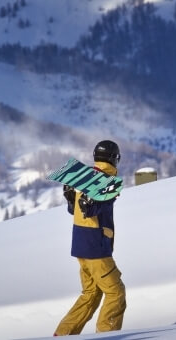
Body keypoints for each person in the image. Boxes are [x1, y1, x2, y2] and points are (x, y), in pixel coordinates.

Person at [54, 140, 126, 336]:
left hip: (80, 246)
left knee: (91, 293)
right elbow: (91, 209)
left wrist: (74, 200)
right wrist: (92, 202)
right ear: (114, 159)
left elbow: (76, 211)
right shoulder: (106, 183)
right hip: (97, 249)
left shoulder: (83, 179)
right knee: (115, 292)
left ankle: (63, 335)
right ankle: (107, 336)